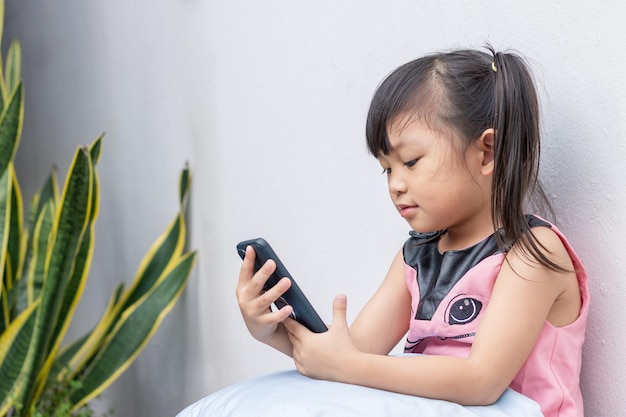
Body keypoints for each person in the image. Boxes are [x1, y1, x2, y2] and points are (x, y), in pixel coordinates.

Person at [236, 46, 589, 417]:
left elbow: (480, 380)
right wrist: (271, 331)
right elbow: (351, 353)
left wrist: (347, 365)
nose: (396, 185)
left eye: (410, 162)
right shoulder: (416, 257)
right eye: (387, 169)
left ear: (487, 152)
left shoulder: (532, 253)